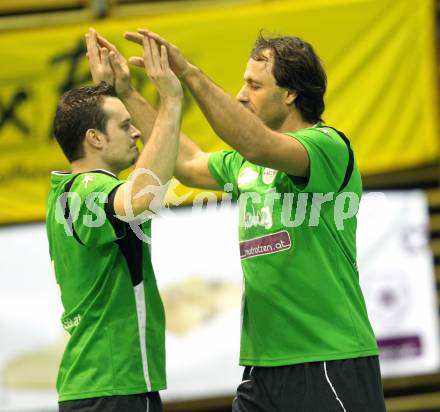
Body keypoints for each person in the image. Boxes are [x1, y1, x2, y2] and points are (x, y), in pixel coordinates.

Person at [91, 28, 386, 411]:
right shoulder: (245, 165)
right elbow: (185, 164)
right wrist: (128, 92)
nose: (241, 95)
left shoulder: (328, 146)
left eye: (254, 85)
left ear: (291, 94)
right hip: (263, 367)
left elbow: (258, 144)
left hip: (329, 358)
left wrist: (189, 75)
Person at [46, 33, 183, 412]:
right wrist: (170, 100)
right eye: (124, 126)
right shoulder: (89, 188)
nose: (137, 131)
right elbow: (143, 197)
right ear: (94, 138)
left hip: (100, 388)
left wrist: (113, 88)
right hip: (111, 387)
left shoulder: (66, 191)